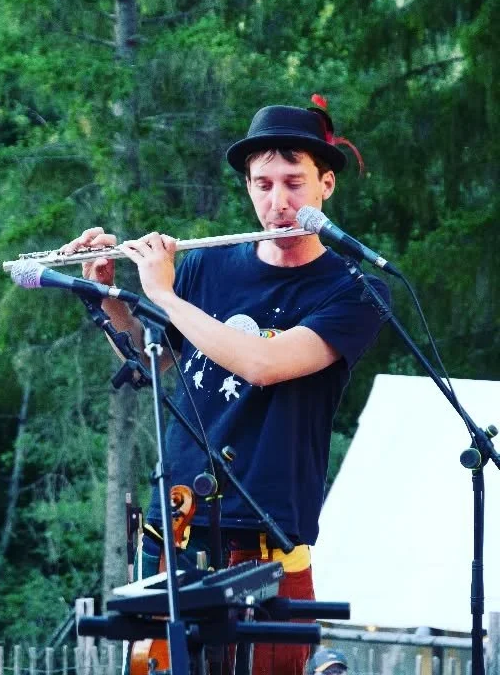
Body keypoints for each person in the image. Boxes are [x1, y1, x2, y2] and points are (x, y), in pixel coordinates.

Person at [64, 99, 389, 675]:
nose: (278, 201)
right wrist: (111, 298)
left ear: (327, 183)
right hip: (176, 524)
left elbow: (264, 364)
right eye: (262, 184)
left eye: (294, 182)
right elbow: (149, 359)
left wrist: (160, 294)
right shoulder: (206, 268)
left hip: (268, 534)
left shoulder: (352, 289)